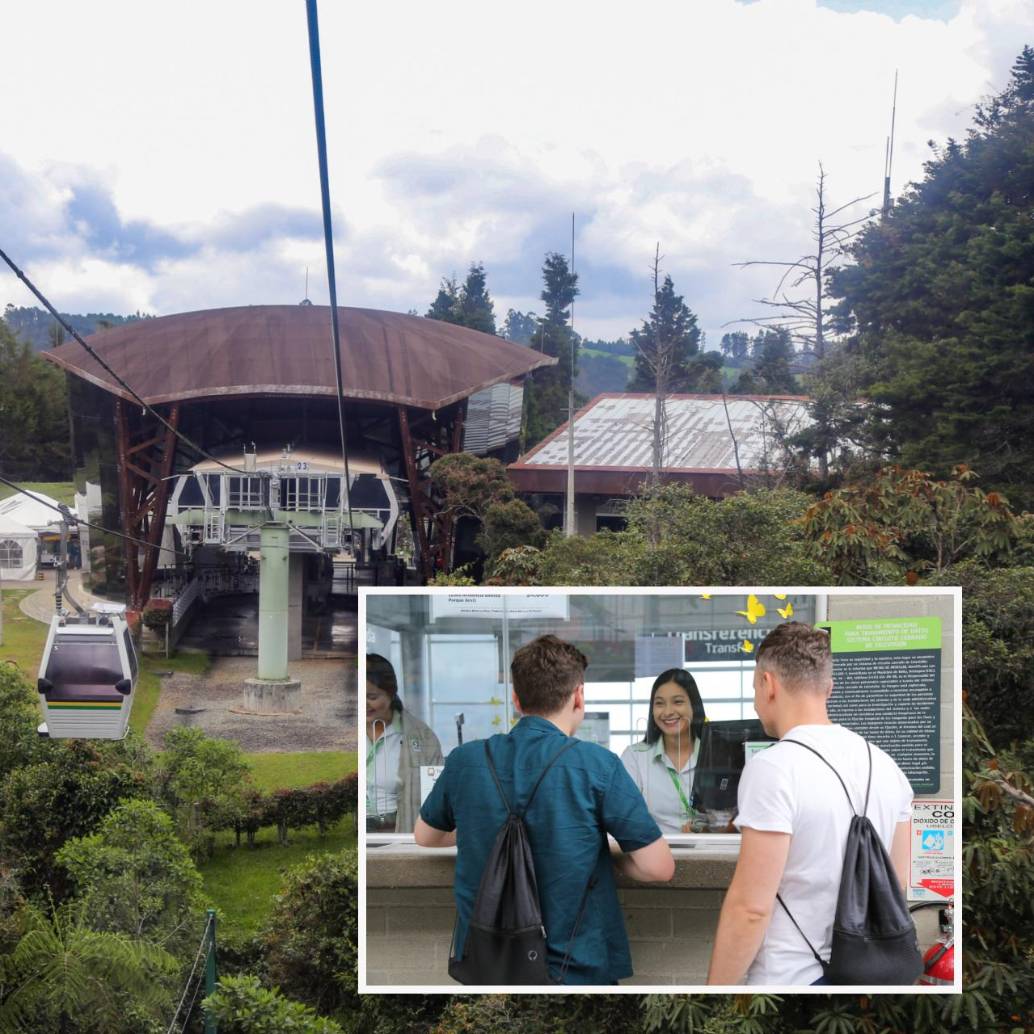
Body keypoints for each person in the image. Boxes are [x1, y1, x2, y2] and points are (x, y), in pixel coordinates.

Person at [415, 634, 675, 985]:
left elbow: (425, 836)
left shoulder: (466, 761)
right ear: (578, 696)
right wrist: (602, 854)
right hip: (573, 967)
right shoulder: (598, 765)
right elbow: (658, 867)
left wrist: (481, 830)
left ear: (516, 699)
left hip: (486, 963)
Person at [706, 622, 914, 986]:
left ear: (768, 685)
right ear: (828, 688)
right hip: (865, 975)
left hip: (790, 976)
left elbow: (751, 908)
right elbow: (896, 883)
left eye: (755, 687)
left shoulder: (773, 767)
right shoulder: (888, 766)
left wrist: (714, 992)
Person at [621, 669, 707, 833]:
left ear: (694, 706)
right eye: (659, 703)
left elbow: (731, 816)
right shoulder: (635, 757)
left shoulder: (716, 755)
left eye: (678, 702)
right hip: (654, 853)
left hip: (711, 854)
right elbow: (625, 817)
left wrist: (710, 828)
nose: (667, 712)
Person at [366, 653, 443, 833]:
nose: (363, 704)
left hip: (397, 831)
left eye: (372, 697)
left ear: (391, 693)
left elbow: (437, 795)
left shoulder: (422, 737)